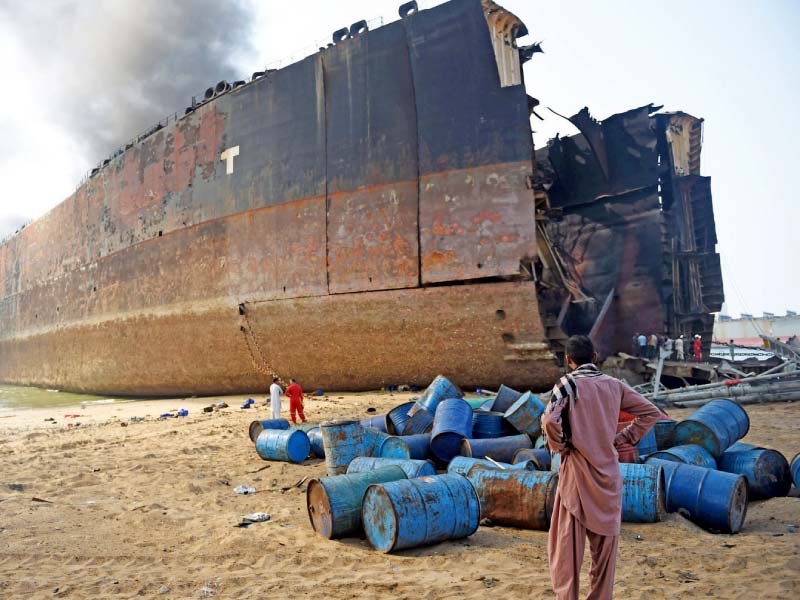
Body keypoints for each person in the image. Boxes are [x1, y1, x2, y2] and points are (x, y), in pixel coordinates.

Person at [542, 335, 660, 600]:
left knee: (566, 553)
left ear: (569, 360)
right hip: (608, 478)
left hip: (576, 476)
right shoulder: (615, 386)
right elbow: (651, 412)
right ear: (595, 357)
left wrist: (560, 445)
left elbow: (550, 418)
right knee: (604, 557)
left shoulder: (567, 384)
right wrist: (622, 438)